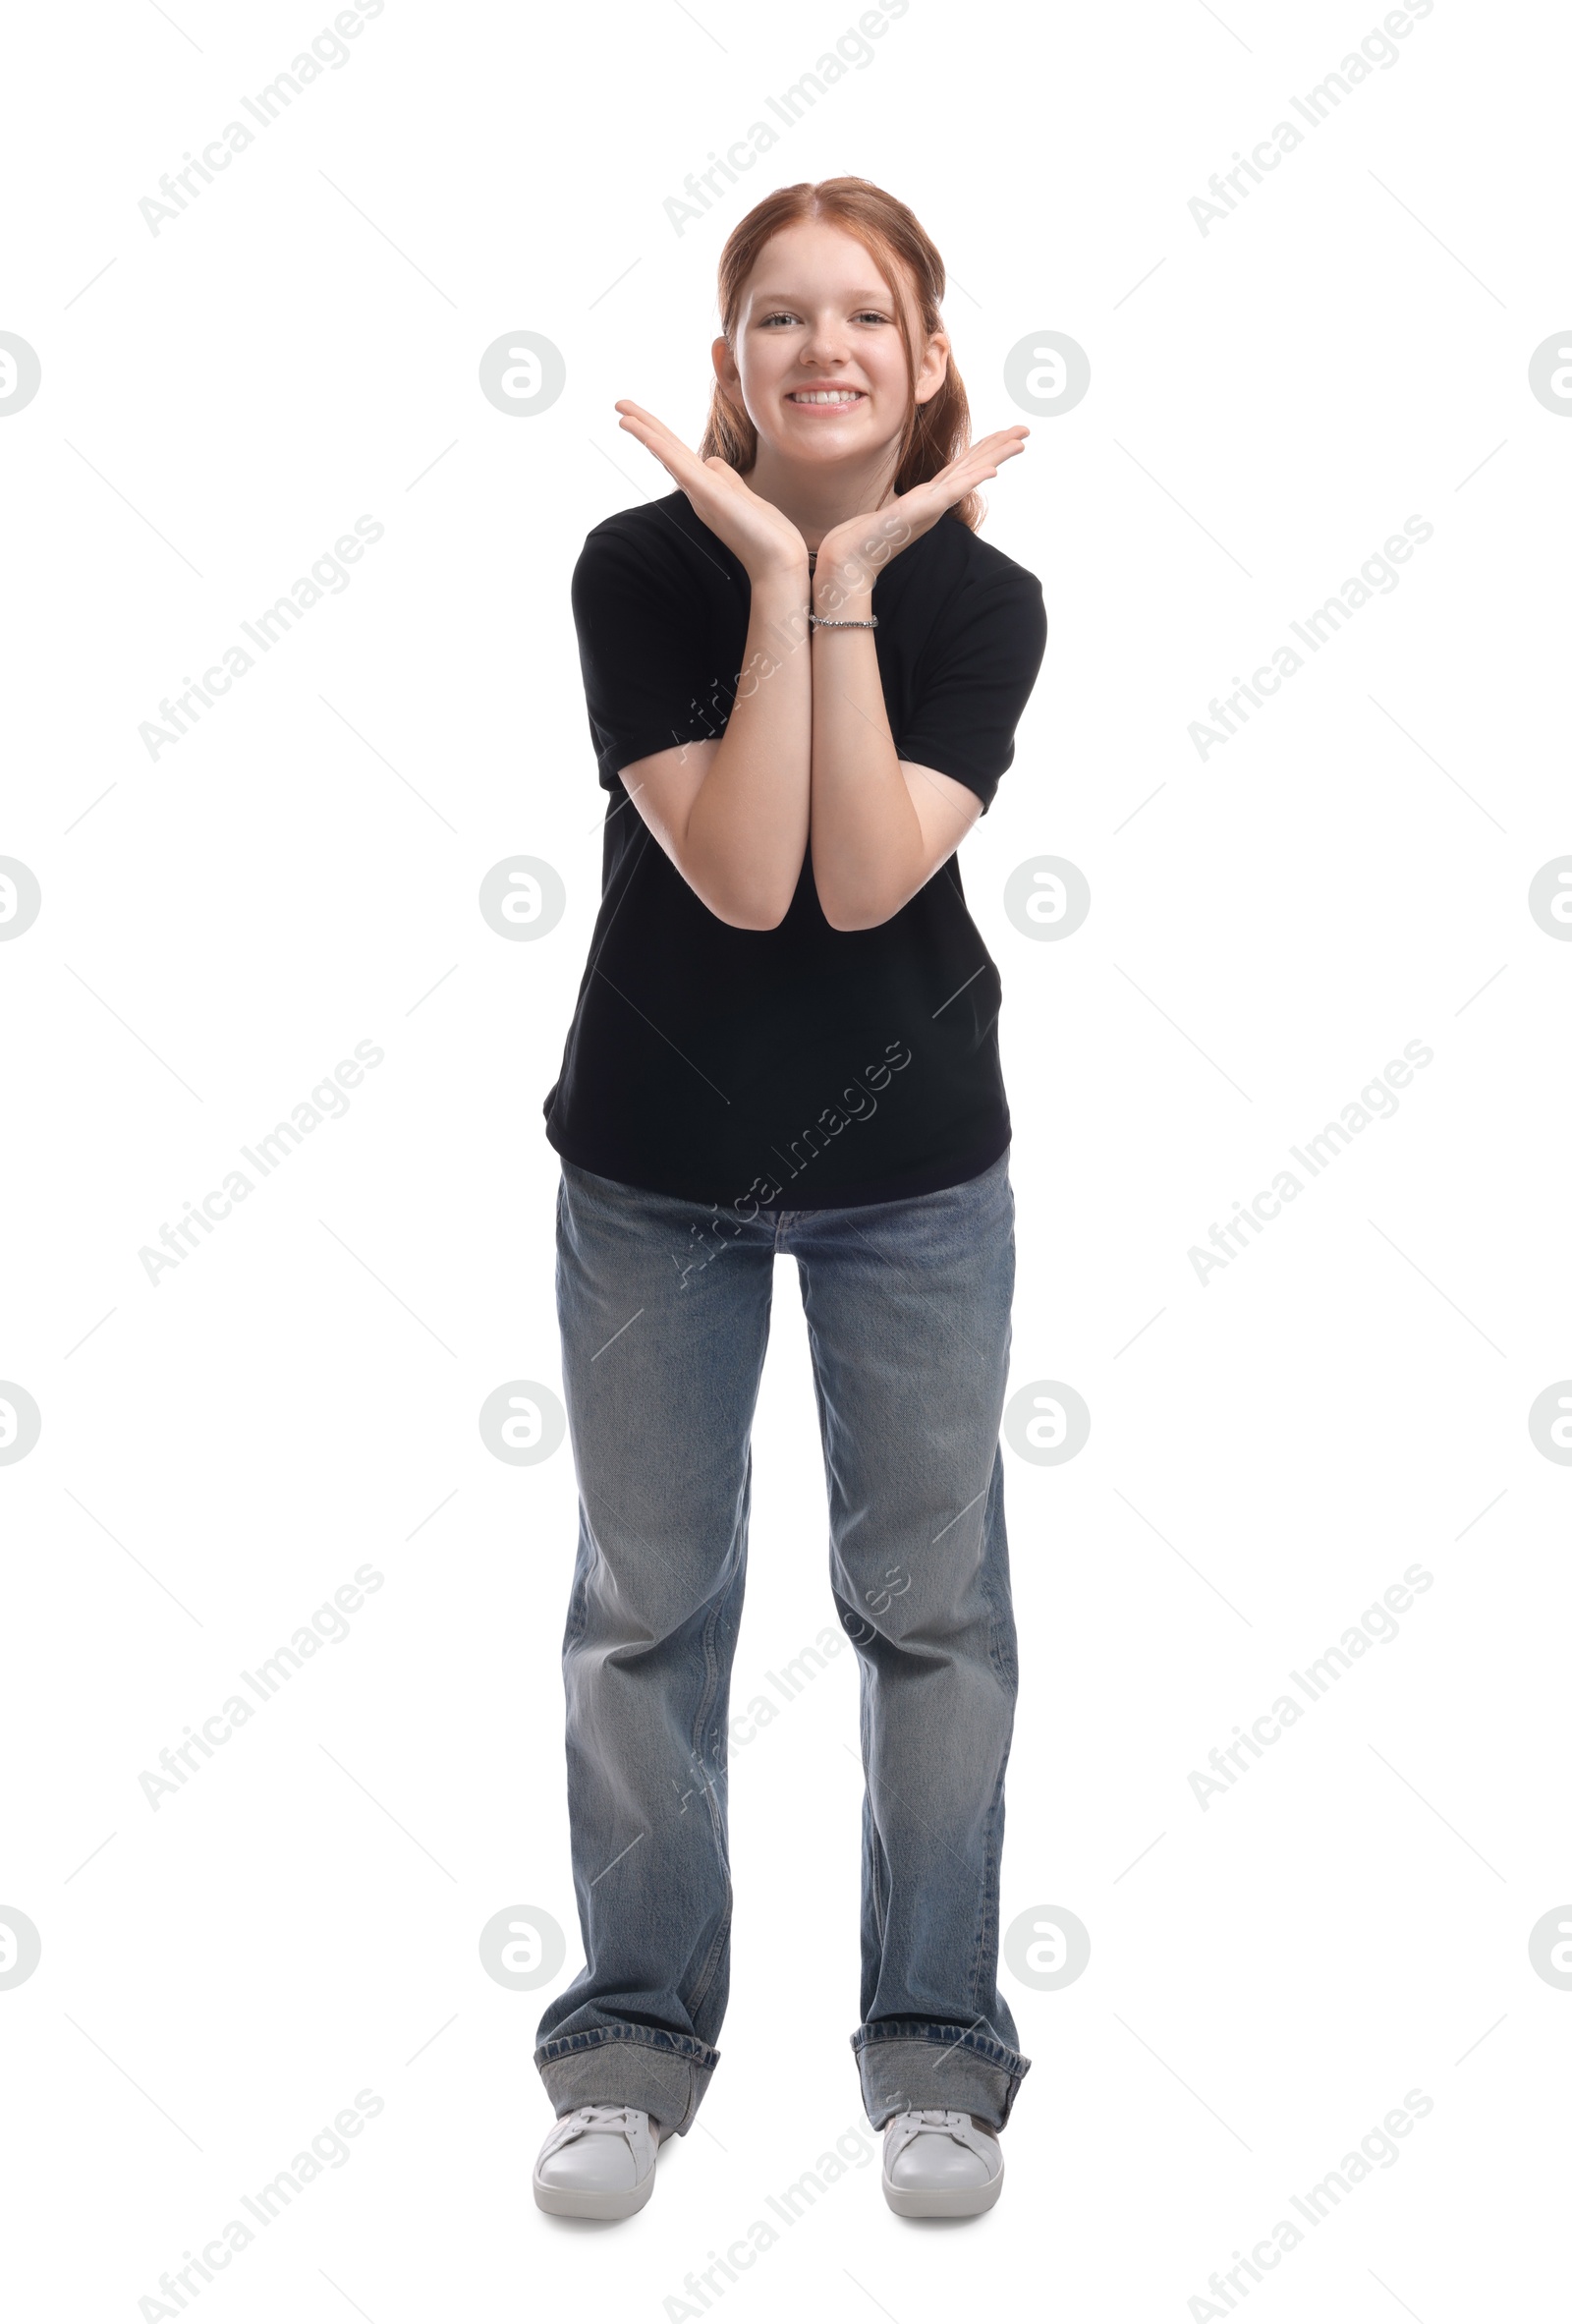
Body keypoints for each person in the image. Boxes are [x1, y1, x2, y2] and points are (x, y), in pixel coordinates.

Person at [531, 175, 1048, 2224]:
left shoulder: (976, 608)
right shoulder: (636, 573)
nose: (818, 346)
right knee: (643, 1612)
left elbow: (853, 877)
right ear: (727, 359)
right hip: (651, 1181)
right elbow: (736, 875)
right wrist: (766, 566)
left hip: (912, 1183)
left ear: (923, 358)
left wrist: (831, 581)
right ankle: (629, 2049)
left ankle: (935, 2052)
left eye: (861, 315)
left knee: (930, 1618)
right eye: (775, 316)